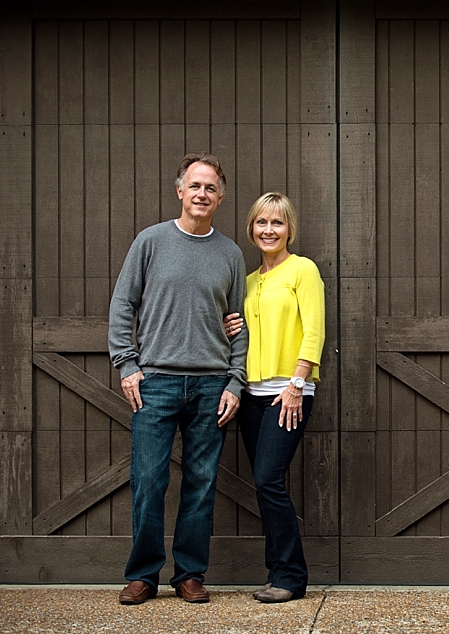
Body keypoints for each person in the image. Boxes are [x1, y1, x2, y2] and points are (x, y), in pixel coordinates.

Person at [109, 153, 248, 605]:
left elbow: (238, 322)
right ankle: (143, 575)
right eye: (195, 186)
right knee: (149, 481)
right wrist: (126, 364)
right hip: (157, 382)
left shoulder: (230, 253)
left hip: (211, 385)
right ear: (180, 191)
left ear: (220, 197)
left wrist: (235, 381)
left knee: (201, 483)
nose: (202, 194)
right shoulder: (150, 242)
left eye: (210, 188)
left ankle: (190, 574)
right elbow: (122, 306)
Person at [223, 192, 325, 603]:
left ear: (289, 229)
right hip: (252, 395)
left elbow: (314, 330)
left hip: (289, 393)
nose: (269, 230)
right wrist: (233, 328)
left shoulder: (304, 270)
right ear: (252, 228)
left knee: (268, 479)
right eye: (262, 222)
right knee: (266, 484)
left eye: (277, 223)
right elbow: (244, 333)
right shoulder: (248, 282)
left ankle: (291, 576)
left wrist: (297, 384)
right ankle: (276, 570)